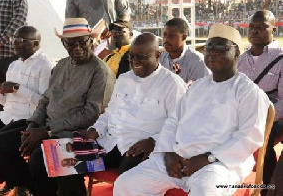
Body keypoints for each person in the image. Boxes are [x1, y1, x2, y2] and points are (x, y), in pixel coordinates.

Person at [113, 24, 270, 196]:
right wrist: (168, 153)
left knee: (206, 191)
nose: (213, 52)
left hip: (220, 164)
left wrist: (207, 159)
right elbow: (173, 122)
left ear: (236, 54)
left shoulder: (249, 92)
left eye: (221, 48)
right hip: (179, 159)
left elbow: (249, 138)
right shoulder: (197, 87)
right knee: (126, 184)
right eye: (209, 47)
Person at [0, 18, 115, 196]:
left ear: (91, 40)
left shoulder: (100, 71)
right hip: (46, 126)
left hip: (79, 134)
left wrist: (46, 130)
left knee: (40, 159)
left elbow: (91, 113)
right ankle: (31, 188)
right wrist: (33, 124)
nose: (77, 47)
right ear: (64, 43)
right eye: (71, 43)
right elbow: (46, 99)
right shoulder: (62, 64)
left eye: (82, 41)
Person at [82, 32, 187, 176]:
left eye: (141, 56)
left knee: (128, 176)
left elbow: (180, 125)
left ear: (157, 55)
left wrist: (154, 141)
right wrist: (96, 129)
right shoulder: (124, 79)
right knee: (70, 163)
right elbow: (110, 112)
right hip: (110, 143)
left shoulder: (172, 84)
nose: (135, 61)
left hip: (140, 149)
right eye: (131, 56)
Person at [0, 25, 55, 195]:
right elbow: (8, 102)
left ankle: (28, 186)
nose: (14, 44)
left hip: (29, 118)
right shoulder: (14, 65)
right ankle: (14, 179)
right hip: (9, 115)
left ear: (35, 43)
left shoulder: (46, 65)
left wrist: (17, 88)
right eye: (13, 40)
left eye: (20, 41)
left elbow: (45, 103)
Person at [237, 10, 283, 194]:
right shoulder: (240, 59)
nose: (255, 31)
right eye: (252, 27)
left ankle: (268, 188)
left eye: (262, 27)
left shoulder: (280, 58)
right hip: (242, 114)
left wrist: (264, 117)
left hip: (273, 118)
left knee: (265, 139)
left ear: (274, 28)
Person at [0, 0, 28, 112]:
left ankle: (14, 124)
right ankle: (0, 121)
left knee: (14, 93)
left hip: (12, 57)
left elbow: (18, 22)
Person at [160, 17, 210, 83]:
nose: (166, 39)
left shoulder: (198, 62)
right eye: (164, 35)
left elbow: (204, 89)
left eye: (171, 36)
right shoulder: (160, 60)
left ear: (184, 37)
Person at [65, 0, 131, 28]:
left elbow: (125, 14)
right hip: (87, 42)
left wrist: (115, 29)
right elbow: (71, 22)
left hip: (112, 41)